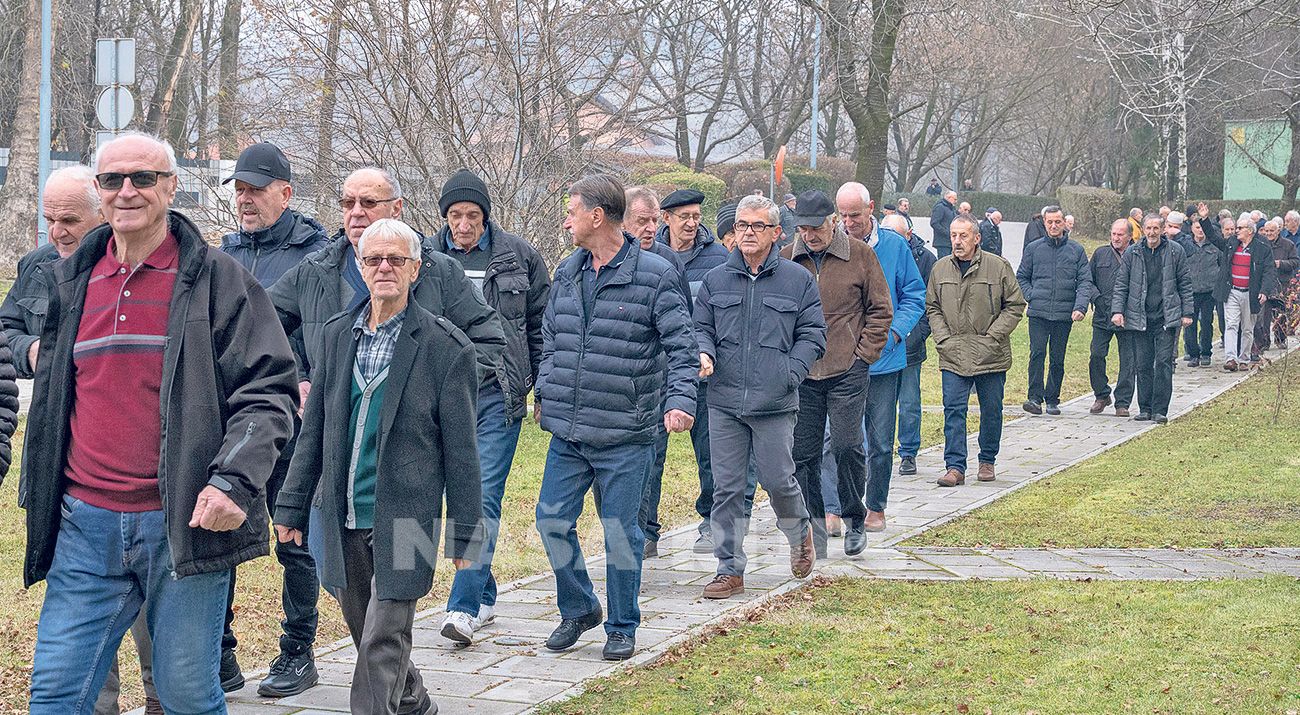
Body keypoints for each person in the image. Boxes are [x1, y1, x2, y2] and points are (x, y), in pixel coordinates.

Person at [24, 132, 298, 714]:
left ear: (171, 188)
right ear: (98, 191)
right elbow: (53, 400)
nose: (127, 191)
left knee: (185, 696)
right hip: (84, 526)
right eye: (112, 179)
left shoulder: (219, 280)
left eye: (143, 178)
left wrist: (233, 482)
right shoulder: (71, 282)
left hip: (182, 524)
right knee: (54, 694)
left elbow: (269, 391)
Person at [273, 218, 482, 715]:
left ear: (415, 269)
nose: (384, 267)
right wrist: (292, 506)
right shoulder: (335, 335)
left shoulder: (447, 348)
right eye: (373, 259)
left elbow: (463, 453)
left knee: (380, 640)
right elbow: (314, 430)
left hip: (408, 519)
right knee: (365, 629)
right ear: (361, 267)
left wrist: (466, 538)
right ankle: (413, 700)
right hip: (342, 512)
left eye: (396, 259)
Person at [0, 166, 159, 715]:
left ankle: (160, 698)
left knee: (158, 626)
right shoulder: (39, 267)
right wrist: (32, 352)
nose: (57, 232)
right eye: (49, 219)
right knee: (82, 626)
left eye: (69, 219)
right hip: (62, 474)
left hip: (144, 486)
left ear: (104, 212)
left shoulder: (151, 268)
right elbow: (6, 330)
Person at [534, 175, 698, 661]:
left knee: (621, 533)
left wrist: (681, 401)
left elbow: (682, 348)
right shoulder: (568, 272)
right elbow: (551, 336)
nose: (566, 222)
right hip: (569, 431)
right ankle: (580, 607)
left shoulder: (655, 274)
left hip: (627, 430)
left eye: (572, 211)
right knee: (551, 520)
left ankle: (622, 625)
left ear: (597, 216)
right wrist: (546, 388)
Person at [217, 141, 330, 697]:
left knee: (293, 536)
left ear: (286, 193)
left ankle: (298, 651)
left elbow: (323, 326)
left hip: (291, 415)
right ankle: (219, 653)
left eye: (256, 190)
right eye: (239, 189)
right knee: (219, 528)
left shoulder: (317, 254)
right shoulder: (225, 252)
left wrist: (305, 375)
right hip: (230, 415)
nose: (246, 199)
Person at [269, 167, 506, 418]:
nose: (356, 212)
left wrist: (440, 391)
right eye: (348, 203)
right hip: (333, 427)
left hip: (412, 430)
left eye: (368, 202)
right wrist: (295, 379)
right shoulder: (314, 271)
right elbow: (261, 323)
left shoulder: (438, 271)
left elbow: (488, 338)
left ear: (396, 208)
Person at [432, 170, 551, 644]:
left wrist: (541, 388)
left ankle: (462, 608)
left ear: (486, 216)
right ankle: (483, 592)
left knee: (481, 496)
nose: (464, 225)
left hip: (498, 395)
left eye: (472, 216)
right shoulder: (424, 256)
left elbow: (542, 326)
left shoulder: (518, 256)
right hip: (441, 394)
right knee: (452, 496)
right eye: (455, 216)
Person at [695, 194, 824, 599]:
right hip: (725, 400)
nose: (747, 232)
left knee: (777, 480)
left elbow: (813, 334)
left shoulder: (797, 280)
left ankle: (799, 533)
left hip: (774, 401)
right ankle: (729, 569)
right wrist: (704, 351)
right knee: (727, 488)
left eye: (757, 226)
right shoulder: (716, 279)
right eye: (741, 225)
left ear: (776, 232)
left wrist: (791, 372)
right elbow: (700, 327)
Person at [782, 188, 892, 559]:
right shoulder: (787, 259)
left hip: (848, 368)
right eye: (803, 228)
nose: (809, 235)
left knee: (847, 446)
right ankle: (814, 525)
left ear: (833, 222)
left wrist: (864, 356)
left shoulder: (860, 255)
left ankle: (854, 518)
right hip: (803, 372)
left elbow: (881, 310)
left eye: (816, 227)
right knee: (803, 454)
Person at [655, 188, 728, 553]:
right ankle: (645, 530)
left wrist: (707, 351)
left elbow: (721, 314)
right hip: (656, 372)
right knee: (650, 456)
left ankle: (712, 521)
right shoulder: (648, 254)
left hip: (703, 371)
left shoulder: (719, 258)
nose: (691, 223)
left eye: (696, 216)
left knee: (712, 453)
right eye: (683, 216)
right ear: (666, 218)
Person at [928, 215, 1026, 487]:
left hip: (990, 354)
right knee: (953, 410)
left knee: (991, 410)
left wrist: (993, 337)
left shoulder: (998, 266)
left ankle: (987, 460)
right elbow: (932, 307)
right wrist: (943, 338)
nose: (957, 241)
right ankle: (955, 467)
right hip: (953, 353)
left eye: (963, 236)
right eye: (953, 235)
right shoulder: (940, 269)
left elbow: (1015, 305)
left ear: (977, 238)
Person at [859, 212, 926, 533]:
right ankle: (837, 506)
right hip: (840, 361)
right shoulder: (832, 244)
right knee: (837, 441)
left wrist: (895, 333)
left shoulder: (895, 247)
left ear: (869, 209)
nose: (848, 222)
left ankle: (876, 506)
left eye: (854, 215)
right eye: (843, 215)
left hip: (884, 361)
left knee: (881, 441)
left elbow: (915, 295)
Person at [1110, 215, 1193, 424]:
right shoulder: (1133, 252)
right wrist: (1117, 311)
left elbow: (1185, 283)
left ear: (1163, 229)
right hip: (1140, 317)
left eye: (1156, 228)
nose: (1152, 232)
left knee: (1163, 363)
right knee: (1143, 364)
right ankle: (1145, 408)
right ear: (1143, 230)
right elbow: (1121, 284)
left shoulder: (1175, 251)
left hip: (1166, 316)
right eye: (1148, 228)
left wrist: (1187, 313)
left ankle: (1160, 410)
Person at [1016, 206, 1091, 415]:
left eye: (1058, 222)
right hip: (1038, 312)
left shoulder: (1076, 250)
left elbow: (1085, 281)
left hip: (1064, 313)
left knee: (1057, 357)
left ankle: (1052, 398)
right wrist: (1031, 295)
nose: (1054, 226)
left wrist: (1080, 306)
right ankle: (1034, 398)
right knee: (1037, 354)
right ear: (1044, 223)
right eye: (1050, 222)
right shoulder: (1033, 248)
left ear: (1064, 223)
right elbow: (1021, 276)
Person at [1209, 213, 1278, 370]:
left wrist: (1264, 291)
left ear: (1250, 231)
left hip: (1250, 293)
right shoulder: (1232, 243)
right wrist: (1205, 219)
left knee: (1247, 328)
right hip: (1232, 291)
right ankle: (1231, 359)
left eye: (1240, 228)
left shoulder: (1262, 248)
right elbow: (1214, 238)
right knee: (1231, 324)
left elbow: (1269, 271)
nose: (1236, 231)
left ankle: (1244, 359)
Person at [897, 218, 937, 477]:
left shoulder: (926, 259)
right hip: (879, 345)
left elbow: (929, 301)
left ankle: (908, 452)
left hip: (911, 342)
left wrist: (919, 333)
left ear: (909, 234)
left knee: (909, 402)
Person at [1088, 220, 1138, 416]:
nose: (1116, 238)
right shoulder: (1100, 253)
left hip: (1128, 317)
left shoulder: (1137, 254)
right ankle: (1101, 394)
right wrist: (1097, 298)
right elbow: (1087, 280)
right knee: (1096, 355)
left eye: (1120, 234)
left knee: (1128, 361)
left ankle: (1122, 402)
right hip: (1102, 315)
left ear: (1129, 236)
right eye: (1114, 234)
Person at [1176, 214, 1223, 367]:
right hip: (1190, 291)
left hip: (1209, 291)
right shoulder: (1186, 246)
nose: (1200, 230)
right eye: (1197, 227)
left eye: (1202, 227)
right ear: (1192, 229)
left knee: (1206, 322)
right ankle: (1193, 354)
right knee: (1189, 324)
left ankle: (1206, 352)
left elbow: (1222, 265)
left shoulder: (1214, 245)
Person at [1255, 218, 1298, 352]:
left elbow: (1295, 262)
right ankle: (1264, 342)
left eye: (1272, 231)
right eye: (1266, 231)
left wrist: (1281, 263)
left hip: (1283, 284)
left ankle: (1280, 339)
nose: (1269, 233)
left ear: (1278, 231)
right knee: (1264, 316)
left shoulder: (1288, 245)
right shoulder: (1260, 244)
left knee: (1282, 314)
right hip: (1266, 285)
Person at [930, 190, 957, 258]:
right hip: (942, 242)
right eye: (955, 199)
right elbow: (934, 223)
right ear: (949, 197)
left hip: (950, 242)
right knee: (944, 262)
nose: (956, 201)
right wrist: (947, 233)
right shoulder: (940, 207)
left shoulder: (952, 209)